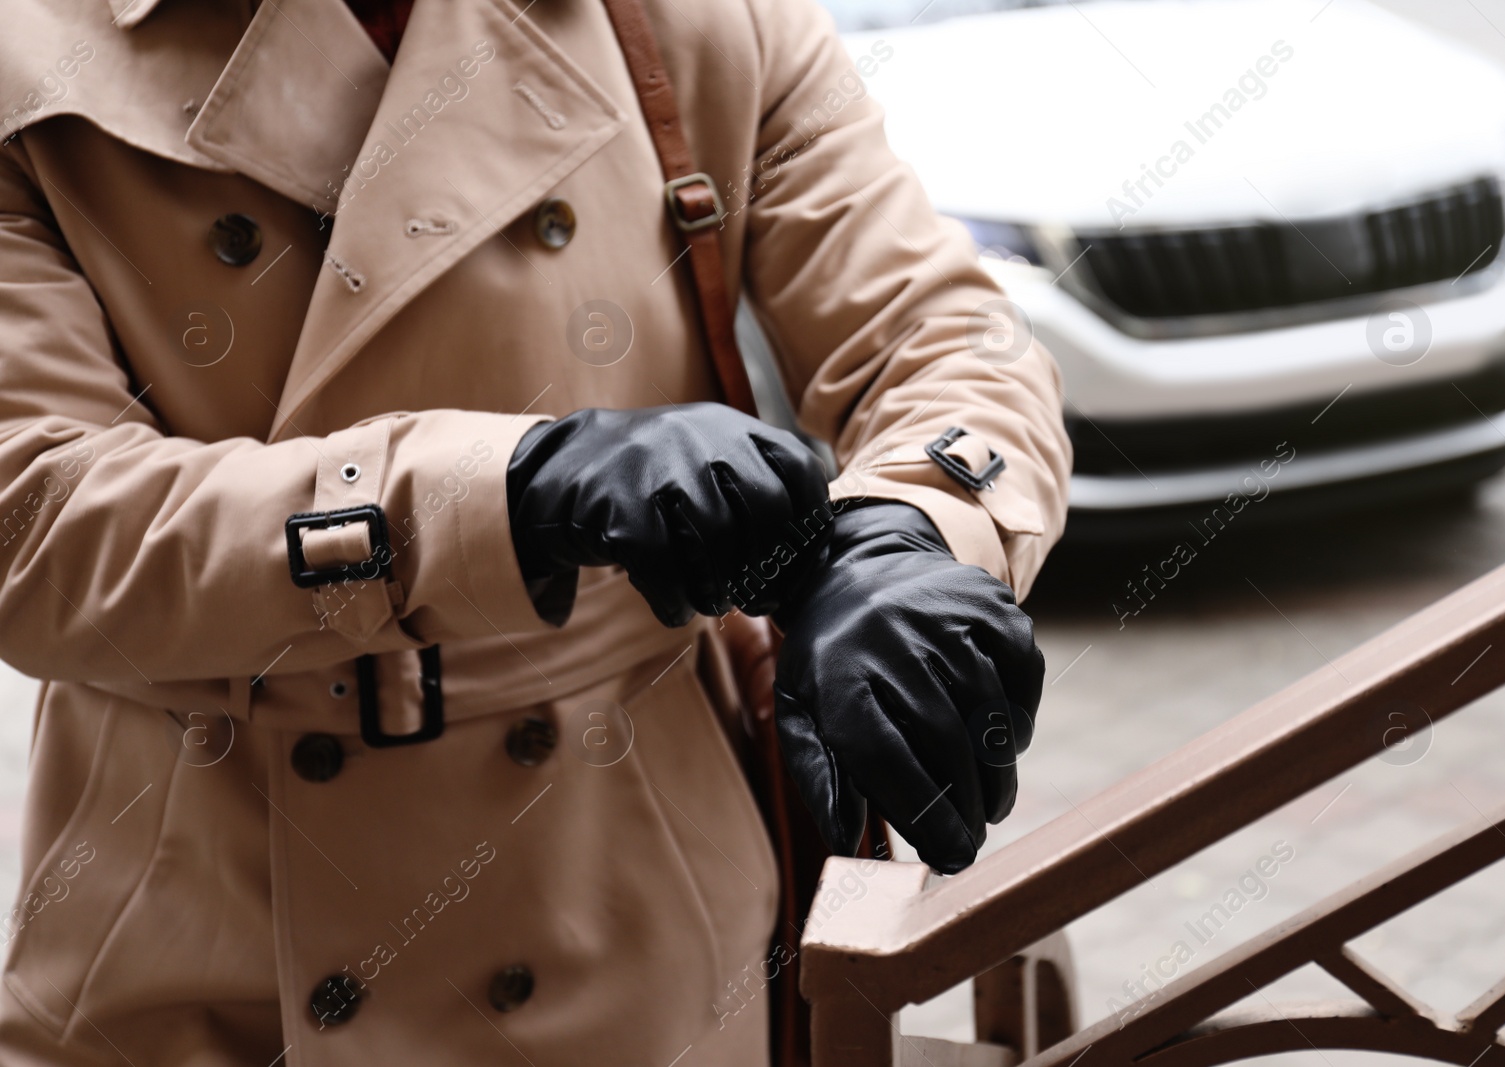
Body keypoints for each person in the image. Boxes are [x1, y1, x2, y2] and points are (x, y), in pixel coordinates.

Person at [0, 0, 1070, 1063]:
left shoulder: (690, 22)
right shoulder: (29, 49)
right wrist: (505, 494)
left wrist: (906, 531)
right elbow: (34, 524)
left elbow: (939, 336)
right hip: (200, 931)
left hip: (617, 901)